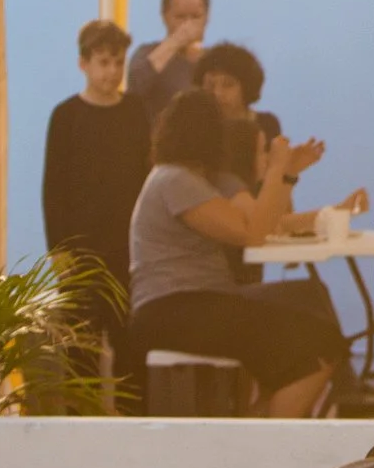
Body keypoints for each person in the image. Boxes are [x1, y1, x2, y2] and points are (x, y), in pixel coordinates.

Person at [124, 91, 347, 417]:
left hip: (193, 301)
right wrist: (277, 169)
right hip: (175, 309)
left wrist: (286, 175)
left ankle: (256, 423)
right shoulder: (176, 181)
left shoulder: (186, 178)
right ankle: (273, 438)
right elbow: (253, 235)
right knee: (323, 343)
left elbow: (265, 224)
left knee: (307, 297)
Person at [40, 20, 153, 341]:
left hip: (126, 246)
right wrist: (58, 249)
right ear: (84, 64)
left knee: (128, 340)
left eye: (118, 62)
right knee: (80, 344)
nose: (112, 72)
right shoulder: (66, 115)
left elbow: (146, 177)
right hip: (80, 247)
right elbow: (53, 188)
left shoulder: (135, 110)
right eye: (104, 62)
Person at [196, 41, 285, 187]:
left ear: (246, 87)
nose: (217, 93)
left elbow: (276, 178)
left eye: (228, 85)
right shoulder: (197, 126)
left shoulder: (266, 124)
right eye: (210, 85)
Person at [126, 0, 209, 127]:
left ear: (206, 17)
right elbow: (134, 89)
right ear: (165, 17)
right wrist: (175, 42)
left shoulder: (213, 61)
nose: (188, 24)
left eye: (196, 17)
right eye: (180, 17)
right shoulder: (148, 53)